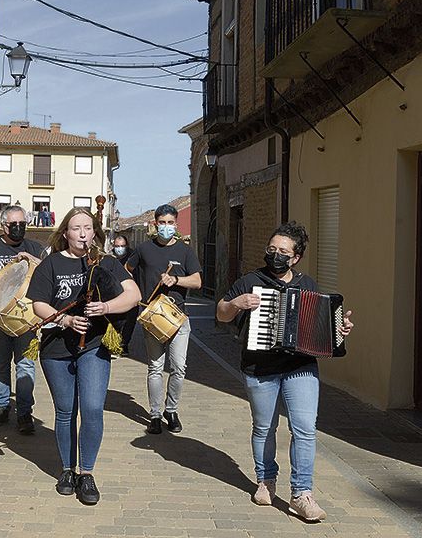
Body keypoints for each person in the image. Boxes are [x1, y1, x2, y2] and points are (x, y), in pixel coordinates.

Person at [215, 221, 353, 521]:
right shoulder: (250, 280)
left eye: (282, 251)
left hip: (300, 366)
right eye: (271, 249)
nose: (275, 254)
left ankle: (302, 493)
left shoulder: (307, 285)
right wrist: (236, 303)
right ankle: (266, 480)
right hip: (260, 367)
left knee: (304, 429)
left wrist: (339, 329)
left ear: (295, 258)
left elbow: (325, 329)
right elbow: (221, 314)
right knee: (264, 428)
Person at [27, 208, 141, 505]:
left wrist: (106, 307)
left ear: (94, 233)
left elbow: (133, 295)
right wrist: (64, 321)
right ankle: (67, 470)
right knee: (65, 411)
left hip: (94, 345)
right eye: (75, 228)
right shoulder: (50, 264)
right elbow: (38, 303)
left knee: (91, 409)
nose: (81, 233)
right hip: (56, 347)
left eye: (87, 228)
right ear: (65, 232)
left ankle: (86, 472)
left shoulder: (106, 262)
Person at [127, 205, 202, 435]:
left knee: (179, 367)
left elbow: (198, 281)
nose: (166, 227)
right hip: (152, 317)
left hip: (178, 318)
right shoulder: (143, 249)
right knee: (155, 368)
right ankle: (155, 415)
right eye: (162, 222)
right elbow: (127, 270)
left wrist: (176, 280)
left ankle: (172, 409)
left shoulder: (185, 251)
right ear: (155, 223)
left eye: (170, 223)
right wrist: (135, 295)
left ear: (176, 225)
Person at [0, 204, 46, 434]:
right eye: (14, 225)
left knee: (25, 365)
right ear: (4, 225)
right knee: (1, 364)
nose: (18, 228)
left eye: (22, 224)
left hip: (27, 319)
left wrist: (33, 259)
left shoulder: (34, 246)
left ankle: (24, 413)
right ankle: (2, 406)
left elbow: (52, 270)